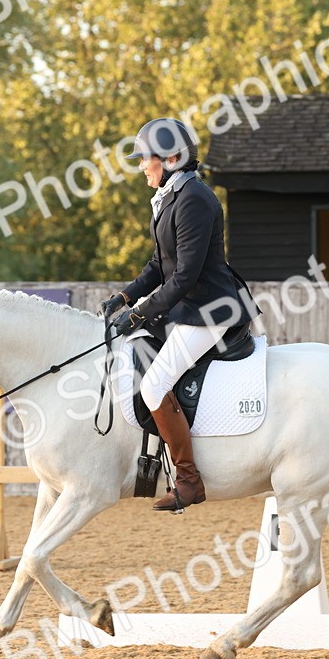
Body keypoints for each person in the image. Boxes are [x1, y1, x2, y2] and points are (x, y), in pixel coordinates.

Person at [101, 117, 261, 512]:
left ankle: (189, 481)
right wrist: (125, 296)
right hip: (187, 306)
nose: (141, 166)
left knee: (153, 386)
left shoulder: (194, 199)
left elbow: (185, 275)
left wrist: (138, 315)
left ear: (171, 157)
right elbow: (159, 265)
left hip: (210, 309)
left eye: (146, 159)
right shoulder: (171, 196)